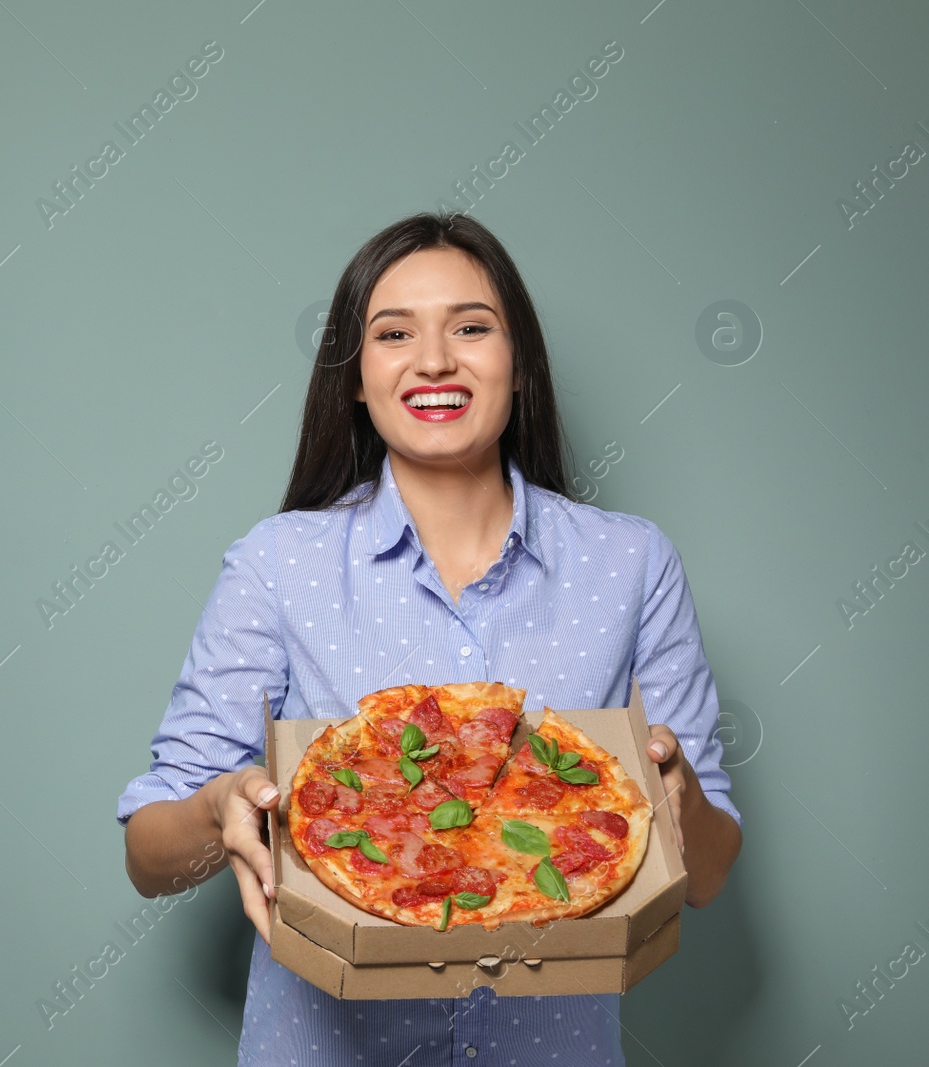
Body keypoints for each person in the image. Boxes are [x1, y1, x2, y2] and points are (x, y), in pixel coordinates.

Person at [116, 211, 743, 1066]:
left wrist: (677, 799)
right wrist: (218, 809)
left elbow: (704, 875)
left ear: (519, 363)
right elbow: (150, 855)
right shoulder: (277, 563)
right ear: (356, 377)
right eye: (394, 332)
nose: (436, 359)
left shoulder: (630, 563)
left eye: (472, 328)